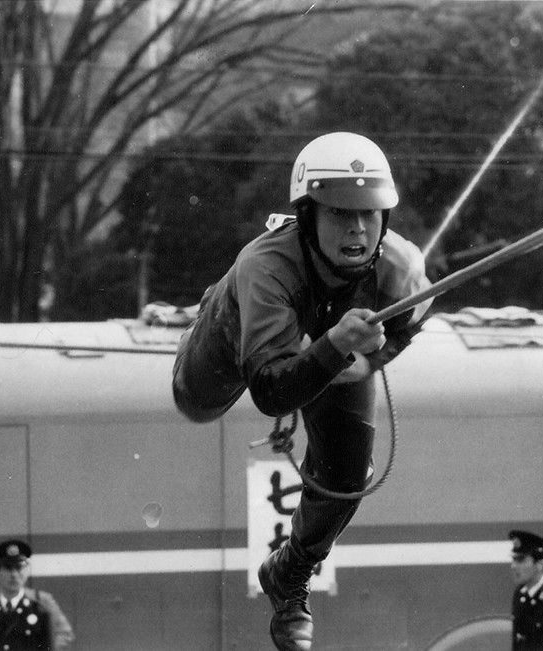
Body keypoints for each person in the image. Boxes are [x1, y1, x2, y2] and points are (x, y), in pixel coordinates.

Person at [173, 132, 432, 650]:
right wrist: (334, 345)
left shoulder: (401, 268)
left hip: (331, 350)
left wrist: (365, 362)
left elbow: (412, 322)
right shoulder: (266, 267)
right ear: (308, 215)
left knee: (348, 475)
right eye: (340, 213)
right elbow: (270, 392)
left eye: (370, 213)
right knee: (195, 401)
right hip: (237, 335)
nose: (358, 228)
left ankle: (290, 576)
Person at [0, 539, 75, 651]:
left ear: (26, 570)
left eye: (19, 567)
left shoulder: (41, 607)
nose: (14, 574)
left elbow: (63, 634)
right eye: (8, 568)